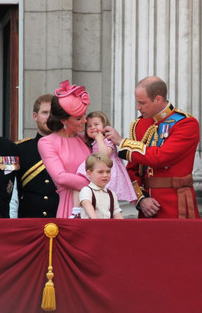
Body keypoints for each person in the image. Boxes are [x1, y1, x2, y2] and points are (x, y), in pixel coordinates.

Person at [104, 76, 200, 219]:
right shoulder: (140, 124)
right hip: (147, 207)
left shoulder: (186, 124)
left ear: (158, 100)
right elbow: (132, 169)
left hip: (176, 202)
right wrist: (141, 199)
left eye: (142, 103)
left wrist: (122, 142)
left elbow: (160, 157)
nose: (138, 107)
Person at [38, 80, 91, 218]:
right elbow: (60, 178)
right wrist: (95, 183)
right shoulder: (46, 142)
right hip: (70, 207)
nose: (85, 121)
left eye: (85, 115)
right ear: (63, 120)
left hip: (94, 202)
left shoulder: (85, 140)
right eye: (79, 118)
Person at [76, 111, 136, 202]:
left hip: (108, 171)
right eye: (89, 126)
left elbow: (104, 154)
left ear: (104, 126)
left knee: (107, 198)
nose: (93, 128)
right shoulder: (93, 142)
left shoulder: (108, 140)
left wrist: (99, 139)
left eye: (96, 124)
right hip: (98, 168)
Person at [16, 94, 59, 218]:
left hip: (60, 218)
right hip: (29, 220)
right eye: (45, 113)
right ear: (35, 116)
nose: (49, 117)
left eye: (53, 113)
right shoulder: (20, 149)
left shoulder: (68, 147)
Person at [79, 153, 123, 219]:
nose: (105, 175)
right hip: (91, 228)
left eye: (108, 172)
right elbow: (86, 203)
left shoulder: (111, 194)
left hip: (107, 228)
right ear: (89, 174)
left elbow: (117, 214)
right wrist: (96, 220)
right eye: (100, 172)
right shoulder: (87, 190)